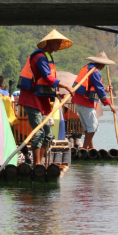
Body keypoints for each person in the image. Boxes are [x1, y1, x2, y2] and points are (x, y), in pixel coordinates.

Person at [17, 29, 75, 166]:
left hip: (41, 100)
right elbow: (47, 78)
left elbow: (42, 82)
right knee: (38, 132)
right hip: (31, 99)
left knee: (48, 135)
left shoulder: (48, 57)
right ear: (50, 42)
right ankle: (37, 165)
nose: (59, 45)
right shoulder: (39, 57)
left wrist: (55, 93)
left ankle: (39, 163)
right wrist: (66, 86)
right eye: (58, 43)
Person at [71, 51, 118, 150]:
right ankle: (84, 148)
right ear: (101, 63)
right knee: (93, 126)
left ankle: (91, 147)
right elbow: (99, 89)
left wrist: (105, 90)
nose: (104, 66)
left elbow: (94, 87)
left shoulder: (88, 67)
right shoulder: (95, 71)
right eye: (104, 64)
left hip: (78, 101)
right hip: (84, 102)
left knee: (88, 127)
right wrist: (110, 105)